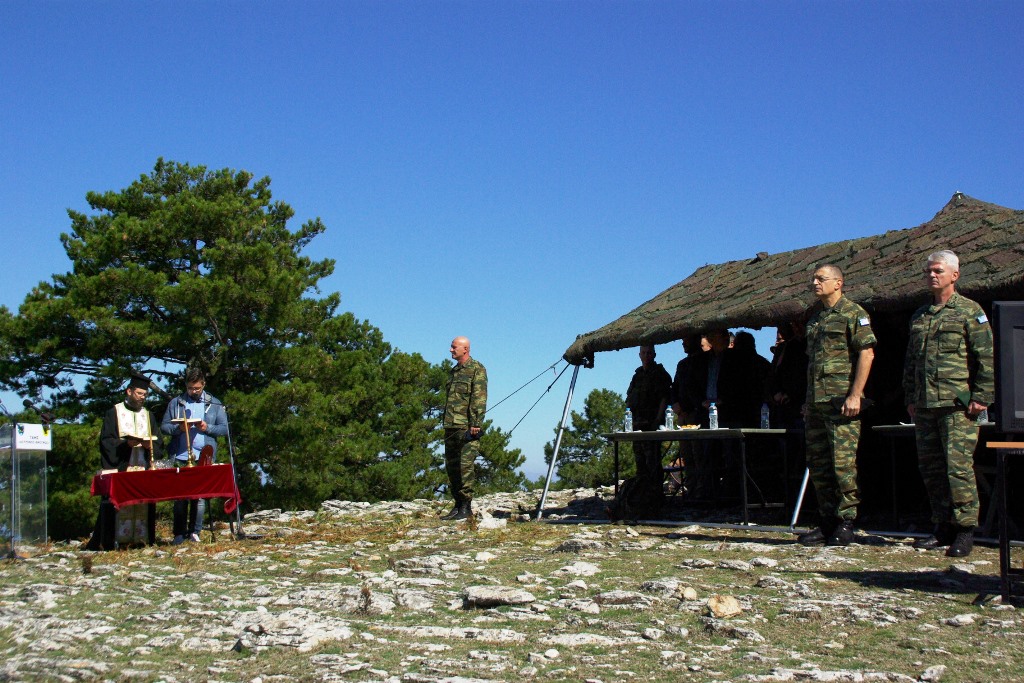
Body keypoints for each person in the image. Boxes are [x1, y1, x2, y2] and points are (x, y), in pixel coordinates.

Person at [903, 250, 994, 558]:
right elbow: (911, 362)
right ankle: (941, 526)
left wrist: (981, 396)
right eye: (928, 270)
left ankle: (965, 529)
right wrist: (910, 397)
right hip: (926, 404)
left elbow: (986, 358)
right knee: (931, 469)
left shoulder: (970, 311)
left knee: (958, 468)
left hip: (958, 404)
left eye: (938, 270)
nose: (932, 275)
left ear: (954, 275)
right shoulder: (919, 315)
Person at [799, 264, 876, 547]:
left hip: (840, 401)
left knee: (842, 464)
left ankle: (846, 521)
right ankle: (826, 520)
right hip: (817, 403)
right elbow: (813, 364)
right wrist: (807, 402)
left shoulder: (853, 314)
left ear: (838, 282)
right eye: (814, 278)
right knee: (819, 465)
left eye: (821, 278)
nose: (815, 282)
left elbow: (866, 354)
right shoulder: (815, 320)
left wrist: (855, 394)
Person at [85, 372, 162, 551]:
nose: (142, 398)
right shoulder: (114, 412)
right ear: (129, 391)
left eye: (145, 395)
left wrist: (149, 445)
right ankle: (114, 542)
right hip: (122, 468)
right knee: (117, 506)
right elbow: (106, 442)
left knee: (143, 505)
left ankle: (142, 540)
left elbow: (158, 442)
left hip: (142, 468)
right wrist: (126, 444)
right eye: (139, 394)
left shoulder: (148, 415)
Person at [160, 368, 228, 544]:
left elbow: (225, 428)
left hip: (203, 456)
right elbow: (164, 427)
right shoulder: (176, 403)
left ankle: (195, 531)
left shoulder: (214, 404)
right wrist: (178, 429)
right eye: (191, 388)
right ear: (186, 386)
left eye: (197, 388)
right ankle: (179, 533)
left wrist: (208, 428)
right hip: (180, 456)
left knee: (199, 497)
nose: (194, 391)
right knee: (180, 497)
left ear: (203, 385)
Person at [619, 345, 672, 515]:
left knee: (653, 463)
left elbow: (664, 398)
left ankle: (656, 498)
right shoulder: (637, 376)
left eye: (649, 352)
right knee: (640, 463)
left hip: (652, 424)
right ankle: (641, 498)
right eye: (644, 353)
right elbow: (630, 399)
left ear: (654, 354)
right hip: (637, 424)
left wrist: (657, 420)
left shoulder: (660, 374)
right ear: (639, 355)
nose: (646, 355)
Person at [441, 336, 487, 521]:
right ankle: (457, 505)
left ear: (465, 349)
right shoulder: (454, 372)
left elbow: (479, 398)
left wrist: (476, 423)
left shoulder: (477, 369)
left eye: (454, 347)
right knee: (452, 467)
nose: (451, 350)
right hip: (451, 426)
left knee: (464, 467)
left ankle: (466, 507)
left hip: (467, 427)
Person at [768, 321, 808, 429]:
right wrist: (776, 392)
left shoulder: (808, 346)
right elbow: (778, 373)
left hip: (800, 404)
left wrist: (790, 393)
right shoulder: (788, 347)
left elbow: (802, 375)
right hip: (784, 405)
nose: (796, 329)